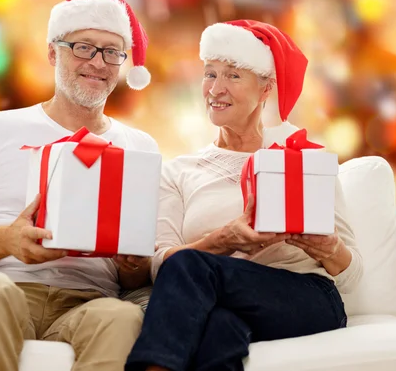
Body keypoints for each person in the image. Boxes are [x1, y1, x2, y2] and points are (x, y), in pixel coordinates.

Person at [0, 0, 158, 371]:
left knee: (122, 318)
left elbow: (135, 276)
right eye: (83, 47)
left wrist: (132, 262)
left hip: (86, 302)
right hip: (1, 289)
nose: (98, 63)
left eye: (112, 52)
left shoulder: (140, 147)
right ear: (53, 53)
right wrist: (7, 240)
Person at [126, 20, 364, 371]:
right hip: (222, 301)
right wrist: (223, 240)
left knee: (192, 269)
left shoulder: (301, 159)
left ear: (266, 88)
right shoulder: (179, 171)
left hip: (306, 297)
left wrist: (329, 248)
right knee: (220, 327)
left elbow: (353, 274)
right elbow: (162, 266)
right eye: (210, 74)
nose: (215, 88)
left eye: (233, 76)